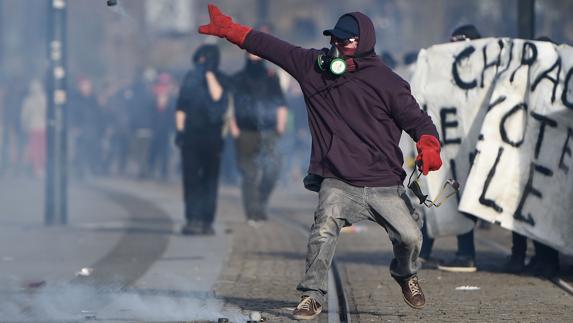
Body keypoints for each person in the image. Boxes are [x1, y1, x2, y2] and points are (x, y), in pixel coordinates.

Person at [198, 5, 442, 319]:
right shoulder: (314, 67)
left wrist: (429, 143)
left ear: (363, 41)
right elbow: (273, 47)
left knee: (410, 237)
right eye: (336, 40)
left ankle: (405, 274)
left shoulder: (388, 82)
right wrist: (231, 30)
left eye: (347, 41)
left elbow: (419, 121)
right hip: (338, 179)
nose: (339, 46)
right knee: (323, 229)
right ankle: (312, 295)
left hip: (383, 181)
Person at [418, 24, 482, 273]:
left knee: (458, 198)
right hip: (447, 148)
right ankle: (427, 251)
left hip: (468, 150)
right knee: (437, 195)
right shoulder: (442, 70)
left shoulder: (480, 72)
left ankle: (463, 253)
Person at [175, 44, 230, 235]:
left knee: (210, 180)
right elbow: (181, 106)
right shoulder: (190, 78)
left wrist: (209, 74)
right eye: (201, 59)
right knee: (190, 179)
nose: (202, 63)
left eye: (206, 59)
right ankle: (192, 219)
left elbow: (218, 97)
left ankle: (207, 220)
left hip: (212, 137)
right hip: (191, 136)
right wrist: (180, 131)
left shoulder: (221, 78)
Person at [230, 52, 288, 225]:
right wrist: (233, 128)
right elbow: (230, 103)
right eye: (250, 54)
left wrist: (281, 124)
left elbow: (280, 102)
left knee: (272, 171)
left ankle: (261, 203)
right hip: (245, 131)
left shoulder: (271, 77)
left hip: (270, 131)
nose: (254, 58)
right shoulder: (238, 78)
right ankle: (252, 212)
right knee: (249, 174)